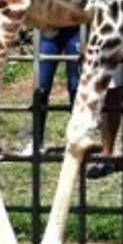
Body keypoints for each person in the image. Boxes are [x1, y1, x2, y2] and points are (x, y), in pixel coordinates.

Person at [25, 25, 81, 157]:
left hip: (76, 28)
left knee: (76, 87)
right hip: (49, 28)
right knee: (41, 86)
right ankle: (36, 141)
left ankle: (76, 141)